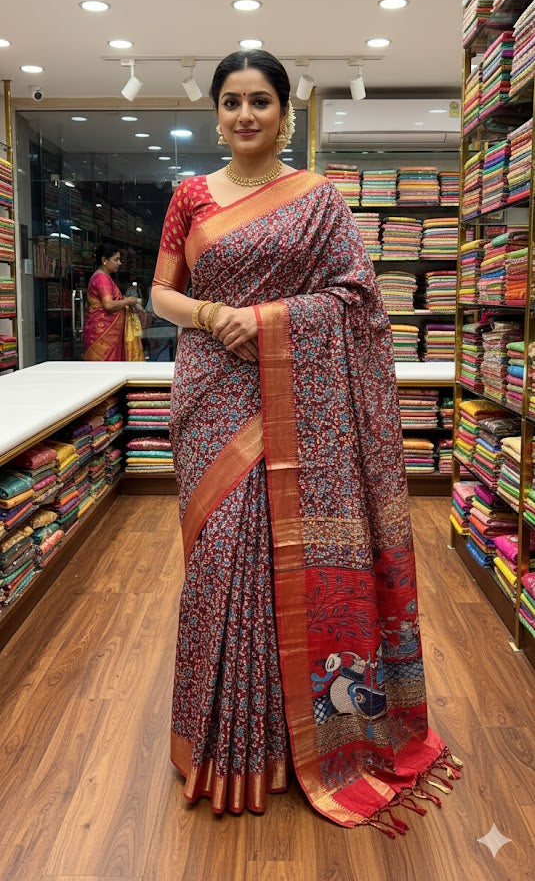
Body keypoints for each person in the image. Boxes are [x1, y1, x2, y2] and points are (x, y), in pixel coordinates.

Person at [151, 50, 462, 832]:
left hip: (297, 393)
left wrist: (262, 320)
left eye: (259, 100)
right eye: (230, 101)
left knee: (286, 555)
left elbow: (356, 299)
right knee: (221, 560)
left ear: (284, 112)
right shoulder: (190, 196)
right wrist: (211, 316)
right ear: (215, 113)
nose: (244, 114)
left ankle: (305, 746)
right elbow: (160, 292)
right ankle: (229, 744)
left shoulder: (318, 199)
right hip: (211, 393)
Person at [83, 243, 139, 361]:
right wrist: (128, 301)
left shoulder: (103, 277)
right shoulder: (101, 278)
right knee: (106, 367)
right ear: (104, 260)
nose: (120, 263)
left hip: (106, 332)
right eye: (116, 259)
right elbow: (108, 304)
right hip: (103, 333)